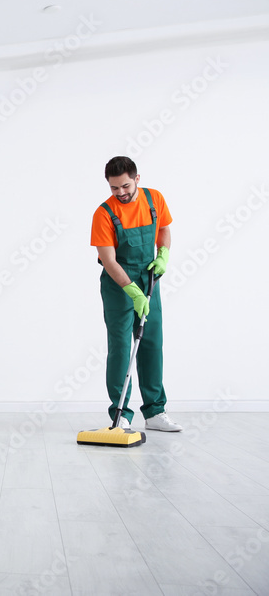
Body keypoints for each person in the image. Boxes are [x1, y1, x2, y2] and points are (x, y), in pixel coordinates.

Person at [91, 157, 181, 432]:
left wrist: (163, 254)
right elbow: (109, 260)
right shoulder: (104, 213)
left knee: (152, 344)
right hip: (119, 285)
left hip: (149, 278)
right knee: (121, 348)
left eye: (125, 186)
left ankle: (155, 412)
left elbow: (163, 229)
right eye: (114, 188)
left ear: (137, 179)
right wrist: (132, 291)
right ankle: (121, 415)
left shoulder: (154, 199)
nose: (120, 192)